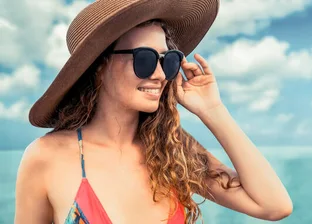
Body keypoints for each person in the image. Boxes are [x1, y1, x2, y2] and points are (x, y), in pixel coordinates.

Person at [14, 0, 293, 223]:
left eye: (168, 60)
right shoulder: (46, 157)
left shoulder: (172, 149)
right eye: (145, 59)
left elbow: (274, 206)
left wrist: (213, 110)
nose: (161, 74)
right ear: (99, 66)